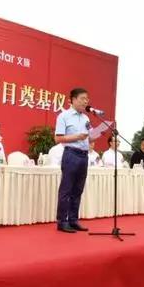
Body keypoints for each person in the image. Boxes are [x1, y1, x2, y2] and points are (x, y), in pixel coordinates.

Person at [54, 87, 94, 233]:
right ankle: (62, 222)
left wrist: (96, 134)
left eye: (87, 99)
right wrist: (77, 137)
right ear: (73, 99)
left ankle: (73, 220)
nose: (86, 101)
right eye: (83, 98)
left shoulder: (86, 118)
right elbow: (58, 138)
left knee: (78, 190)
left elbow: (90, 136)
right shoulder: (63, 116)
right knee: (66, 190)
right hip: (71, 154)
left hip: (84, 156)